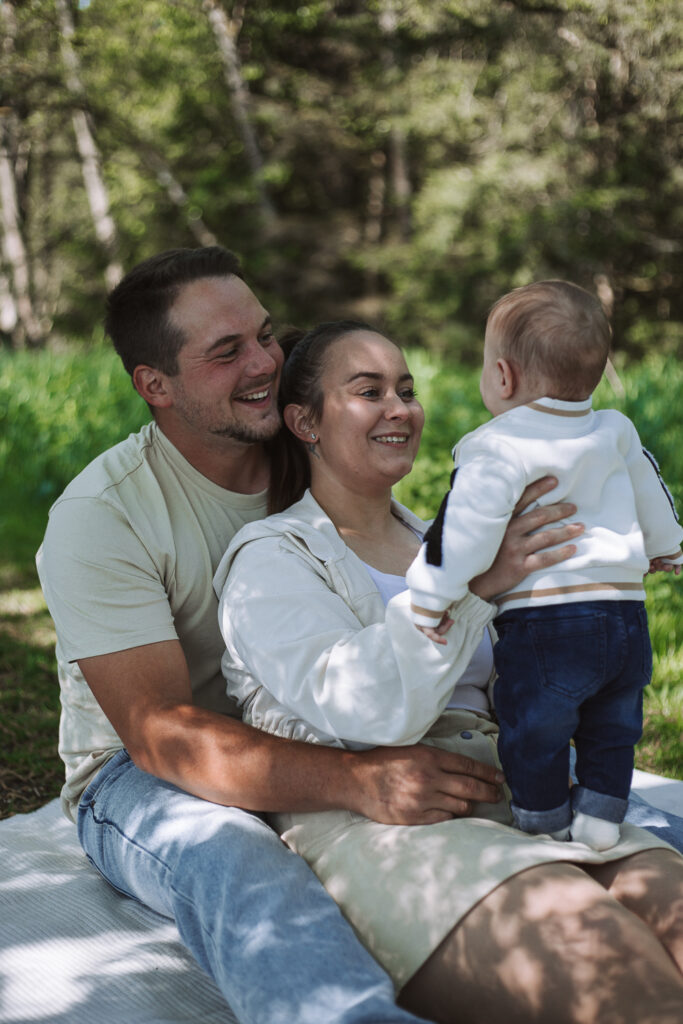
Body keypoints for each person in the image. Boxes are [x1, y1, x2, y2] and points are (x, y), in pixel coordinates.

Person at [35, 247, 581, 1024]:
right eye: (226, 353)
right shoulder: (104, 516)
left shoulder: (309, 445)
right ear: (154, 384)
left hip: (330, 719)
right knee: (236, 858)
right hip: (146, 767)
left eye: (265, 335)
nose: (264, 362)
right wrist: (353, 781)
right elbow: (160, 735)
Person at [214, 319, 683, 1024]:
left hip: (526, 792)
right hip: (387, 822)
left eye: (405, 389)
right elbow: (370, 710)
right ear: (303, 421)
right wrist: (478, 591)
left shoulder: (454, 537)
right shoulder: (272, 557)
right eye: (368, 392)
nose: (399, 408)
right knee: (623, 982)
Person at [405, 280, 683, 851]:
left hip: (547, 624)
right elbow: (652, 492)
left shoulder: (496, 444)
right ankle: (603, 820)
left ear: (502, 376)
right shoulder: (615, 430)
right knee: (614, 726)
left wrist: (429, 594)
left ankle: (544, 822)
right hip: (627, 616)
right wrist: (668, 546)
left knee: (535, 728)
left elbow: (462, 530)